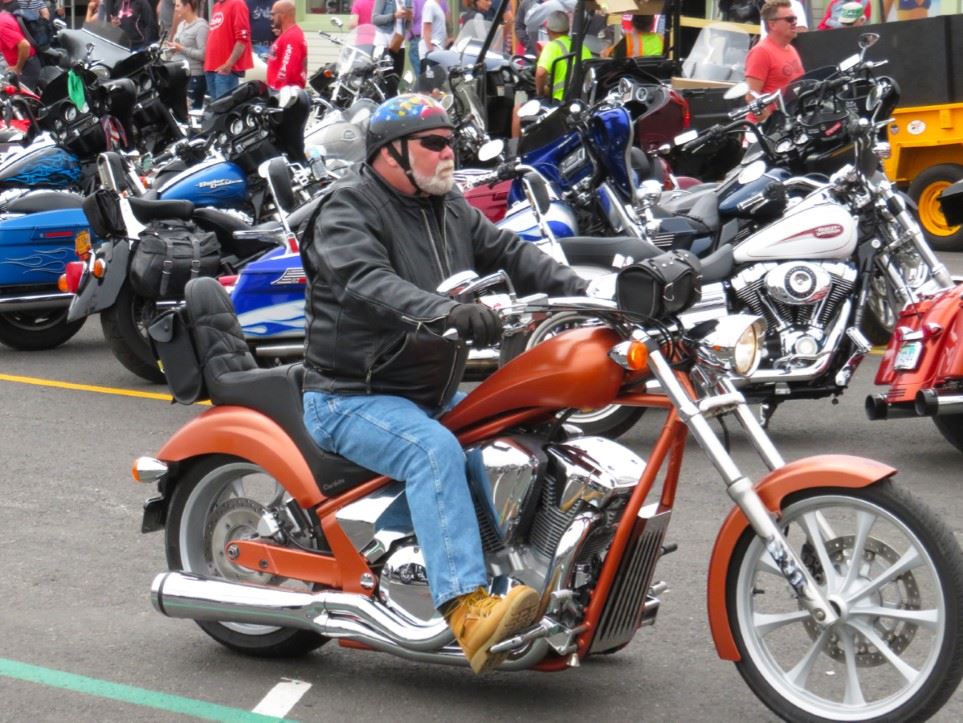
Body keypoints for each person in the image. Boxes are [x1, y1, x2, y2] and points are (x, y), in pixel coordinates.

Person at [300, 93, 587, 674]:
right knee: (435, 452)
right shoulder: (346, 210)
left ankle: (533, 580)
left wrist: (587, 293)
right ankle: (465, 607)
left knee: (523, 426)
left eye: (451, 141)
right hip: (349, 396)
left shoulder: (449, 209)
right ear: (390, 153)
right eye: (434, 144)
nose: (448, 153)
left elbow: (511, 251)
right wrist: (444, 311)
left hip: (423, 393)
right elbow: (366, 281)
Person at [744, 0, 804, 116]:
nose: (795, 23)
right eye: (789, 19)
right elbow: (752, 97)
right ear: (772, 25)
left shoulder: (791, 49)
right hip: (769, 128)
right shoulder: (761, 52)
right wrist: (770, 123)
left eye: (795, 19)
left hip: (791, 121)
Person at [535, 11, 590, 101]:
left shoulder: (552, 46)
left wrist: (540, 92)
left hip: (559, 101)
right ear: (568, 30)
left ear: (548, 30)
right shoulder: (583, 48)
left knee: (519, 108)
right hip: (580, 102)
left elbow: (540, 74)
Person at [204, 0, 253, 100]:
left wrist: (229, 64)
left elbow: (242, 39)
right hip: (211, 67)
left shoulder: (238, 4)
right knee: (215, 110)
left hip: (226, 70)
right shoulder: (216, 6)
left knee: (225, 110)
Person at [165, 0, 208, 109]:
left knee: (190, 112)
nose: (175, 9)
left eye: (178, 6)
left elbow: (204, 54)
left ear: (187, 6)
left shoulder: (201, 26)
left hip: (193, 76)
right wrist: (172, 48)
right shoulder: (181, 25)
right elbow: (179, 48)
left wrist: (182, 48)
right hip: (179, 76)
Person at [265, 0, 305, 89]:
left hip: (284, 91)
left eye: (273, 14)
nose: (271, 18)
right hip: (281, 90)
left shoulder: (292, 36)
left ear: (282, 15)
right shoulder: (288, 34)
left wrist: (276, 88)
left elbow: (287, 68)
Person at [0, 5, 41, 89]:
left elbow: (25, 45)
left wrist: (18, 68)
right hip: (26, 63)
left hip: (25, 67)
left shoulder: (1, 25)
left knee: (22, 99)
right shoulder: (4, 15)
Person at [372, 0, 409, 77]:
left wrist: (409, 18)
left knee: (396, 77)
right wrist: (393, 16)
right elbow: (375, 19)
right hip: (383, 44)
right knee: (383, 77)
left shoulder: (406, 1)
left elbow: (407, 25)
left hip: (398, 44)